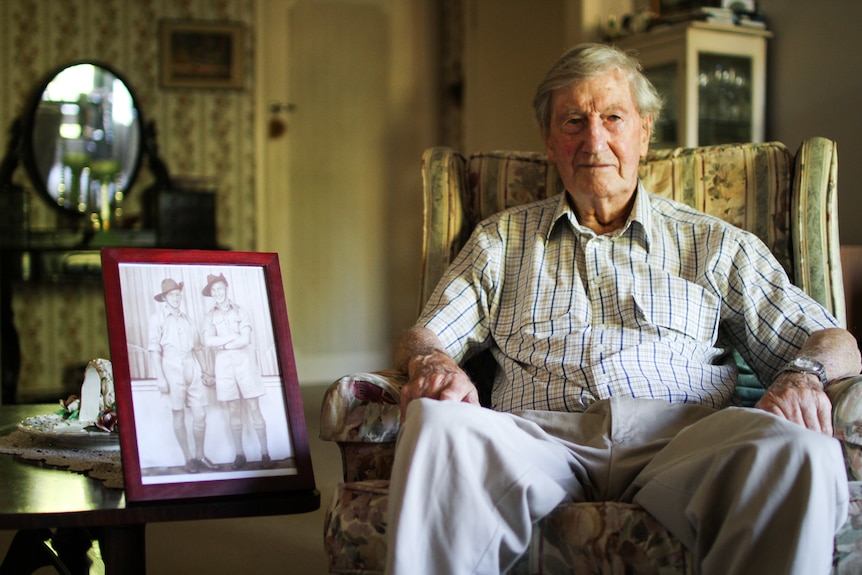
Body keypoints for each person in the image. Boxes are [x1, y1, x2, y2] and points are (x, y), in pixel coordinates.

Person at [386, 43, 862, 575]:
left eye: (613, 117)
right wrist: (433, 363)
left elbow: (831, 338)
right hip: (537, 436)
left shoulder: (714, 243)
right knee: (434, 424)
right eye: (573, 121)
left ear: (644, 130)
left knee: (804, 451)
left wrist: (803, 376)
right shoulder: (501, 240)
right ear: (549, 139)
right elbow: (424, 337)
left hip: (684, 438)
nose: (595, 140)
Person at [201, 273, 271, 469]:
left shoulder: (240, 311)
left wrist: (222, 343)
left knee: (254, 408)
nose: (217, 293)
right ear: (211, 294)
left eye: (220, 289)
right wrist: (231, 337)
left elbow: (245, 339)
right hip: (223, 367)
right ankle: (240, 455)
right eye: (213, 290)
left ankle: (265, 453)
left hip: (244, 364)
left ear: (226, 288)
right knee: (233, 410)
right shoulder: (209, 316)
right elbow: (208, 341)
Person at [147, 278, 213, 474]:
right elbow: (154, 349)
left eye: (177, 294)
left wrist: (205, 370)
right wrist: (160, 377)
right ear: (164, 298)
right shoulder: (157, 319)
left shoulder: (188, 319)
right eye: (171, 295)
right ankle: (188, 458)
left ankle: (200, 456)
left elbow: (198, 347)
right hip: (170, 365)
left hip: (190, 365)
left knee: (200, 414)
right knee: (179, 413)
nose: (175, 298)